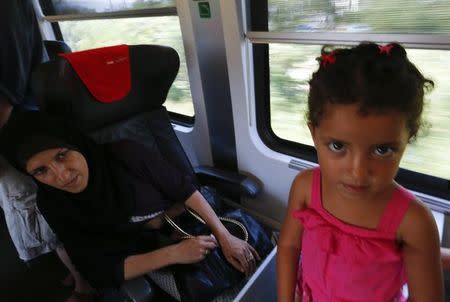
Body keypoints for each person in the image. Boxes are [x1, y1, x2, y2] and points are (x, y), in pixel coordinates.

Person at [0, 110, 261, 292]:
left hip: (192, 225)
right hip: (150, 256)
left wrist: (225, 237)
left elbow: (184, 189)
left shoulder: (125, 154)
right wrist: (174, 254)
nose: (61, 175)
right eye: (40, 171)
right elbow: (100, 270)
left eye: (61, 156)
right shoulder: (54, 203)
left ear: (75, 144)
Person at [276, 42, 444, 301]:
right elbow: (288, 246)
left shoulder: (414, 222)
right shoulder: (305, 188)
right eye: (337, 146)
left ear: (407, 139)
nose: (358, 173)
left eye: (382, 150)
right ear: (314, 134)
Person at [0, 1, 93, 298]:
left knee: (39, 209)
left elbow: (3, 99)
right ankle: (75, 271)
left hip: (22, 131)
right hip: (19, 126)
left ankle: (85, 281)